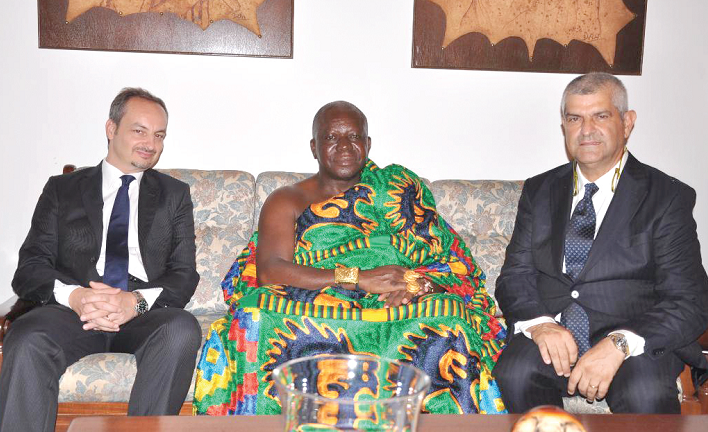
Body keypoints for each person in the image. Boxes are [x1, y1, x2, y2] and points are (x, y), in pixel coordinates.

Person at [193, 101, 507, 417]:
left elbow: (448, 264)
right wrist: (356, 277)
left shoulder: (398, 189)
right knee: (254, 312)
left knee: (450, 312)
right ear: (314, 147)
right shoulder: (287, 199)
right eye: (331, 138)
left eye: (354, 136)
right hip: (318, 301)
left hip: (397, 304)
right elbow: (271, 272)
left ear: (367, 144)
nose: (344, 146)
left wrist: (417, 285)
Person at [493, 72, 708, 413]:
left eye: (601, 116)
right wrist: (540, 324)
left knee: (645, 393)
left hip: (633, 341)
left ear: (627, 122)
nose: (586, 130)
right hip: (556, 335)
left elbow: (690, 299)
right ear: (564, 126)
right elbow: (515, 276)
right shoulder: (539, 191)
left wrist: (620, 343)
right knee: (515, 371)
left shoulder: (667, 196)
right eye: (575, 118)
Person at [0, 88, 201, 432]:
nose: (150, 143)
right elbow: (30, 268)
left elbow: (184, 275)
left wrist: (133, 304)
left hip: (140, 314)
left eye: (159, 135)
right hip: (72, 311)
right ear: (111, 128)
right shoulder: (62, 189)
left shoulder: (174, 194)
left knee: (181, 329)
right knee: (26, 335)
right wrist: (75, 297)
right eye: (139, 130)